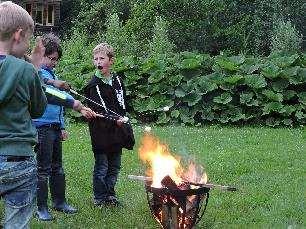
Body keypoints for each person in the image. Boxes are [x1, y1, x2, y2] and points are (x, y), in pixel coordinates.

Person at [33, 33, 90, 221]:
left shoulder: (51, 73)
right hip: (42, 127)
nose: (54, 62)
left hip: (55, 127)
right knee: (43, 168)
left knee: (58, 167)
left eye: (56, 59)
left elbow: (57, 104)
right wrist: (73, 101)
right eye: (51, 59)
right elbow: (46, 89)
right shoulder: (37, 72)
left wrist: (62, 125)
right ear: (41, 56)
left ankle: (59, 202)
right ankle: (41, 207)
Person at [0, 2, 47, 228]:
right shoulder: (27, 70)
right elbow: (39, 108)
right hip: (18, 161)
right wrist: (35, 70)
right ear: (18, 35)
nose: (29, 47)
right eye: (28, 39)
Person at [84, 43, 134, 207]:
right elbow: (98, 109)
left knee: (114, 166)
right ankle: (99, 198)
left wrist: (122, 118)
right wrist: (114, 119)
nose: (98, 62)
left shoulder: (118, 81)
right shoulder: (93, 86)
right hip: (101, 133)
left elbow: (122, 104)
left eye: (102, 58)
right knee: (102, 167)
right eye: (96, 59)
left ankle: (110, 195)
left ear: (111, 61)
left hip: (117, 132)